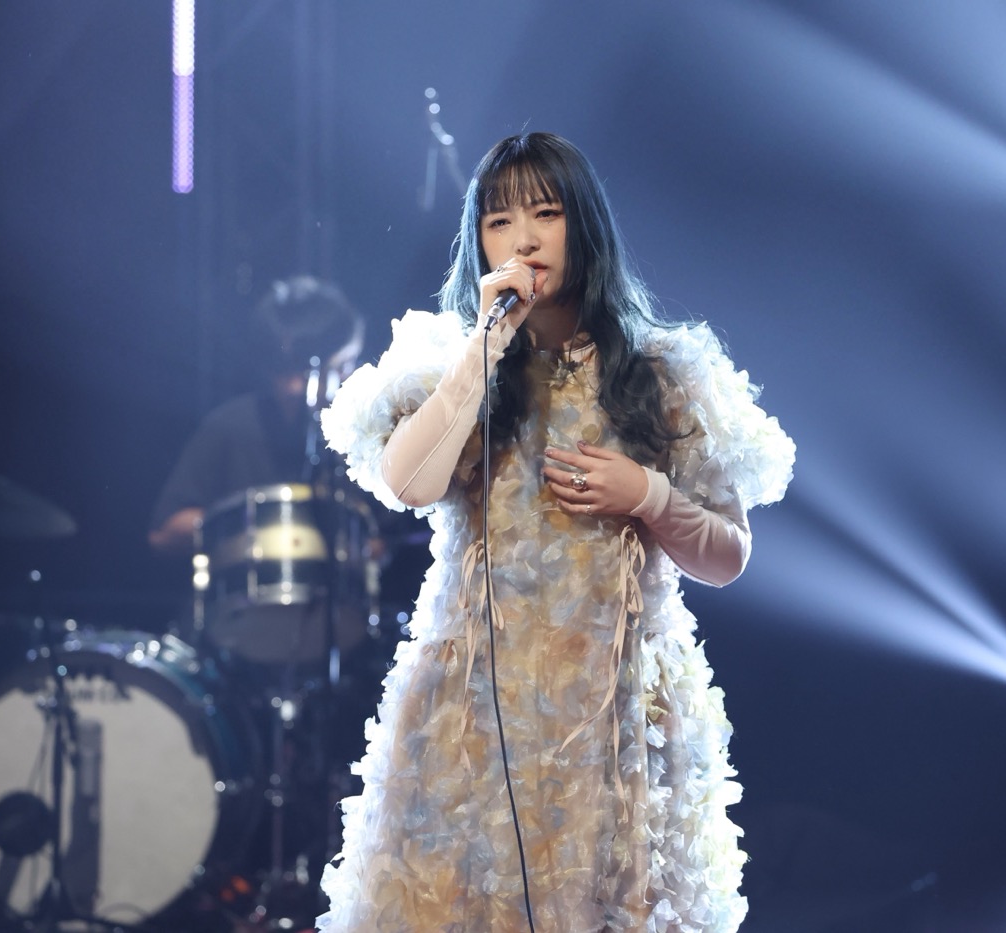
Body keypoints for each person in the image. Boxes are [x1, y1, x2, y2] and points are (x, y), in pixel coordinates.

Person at [317, 132, 795, 932]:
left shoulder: (660, 374)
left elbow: (728, 556)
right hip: (471, 717)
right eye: (499, 221)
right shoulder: (452, 366)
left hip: (614, 724)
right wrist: (484, 348)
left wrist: (648, 494)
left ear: (584, 224)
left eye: (545, 213)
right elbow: (407, 483)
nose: (525, 239)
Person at [149, 275, 365, 554]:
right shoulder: (229, 427)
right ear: (301, 371)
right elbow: (165, 531)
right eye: (343, 365)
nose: (349, 376)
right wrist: (256, 523)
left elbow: (383, 534)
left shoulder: (354, 436)